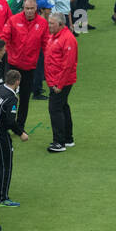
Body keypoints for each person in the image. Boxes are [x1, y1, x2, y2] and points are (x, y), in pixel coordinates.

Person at [0, 0, 49, 133]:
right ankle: (4, 122)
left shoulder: (43, 24)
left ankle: (20, 126)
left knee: (25, 98)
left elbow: (46, 44)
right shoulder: (13, 20)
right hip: (13, 65)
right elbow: (4, 37)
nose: (29, 11)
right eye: (27, 8)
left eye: (32, 8)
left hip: (29, 67)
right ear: (23, 8)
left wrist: (50, 61)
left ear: (36, 8)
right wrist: (2, 52)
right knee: (7, 95)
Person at [0, 70, 29, 206]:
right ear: (17, 82)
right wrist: (21, 133)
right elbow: (10, 121)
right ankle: (2, 197)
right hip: (0, 134)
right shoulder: (12, 98)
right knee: (5, 165)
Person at [44, 13, 79, 152]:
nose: (49, 25)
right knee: (63, 107)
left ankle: (59, 142)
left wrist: (59, 84)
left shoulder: (67, 39)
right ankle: (67, 138)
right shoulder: (56, 36)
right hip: (56, 79)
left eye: (52, 23)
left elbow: (68, 65)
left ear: (61, 24)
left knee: (55, 109)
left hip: (60, 82)